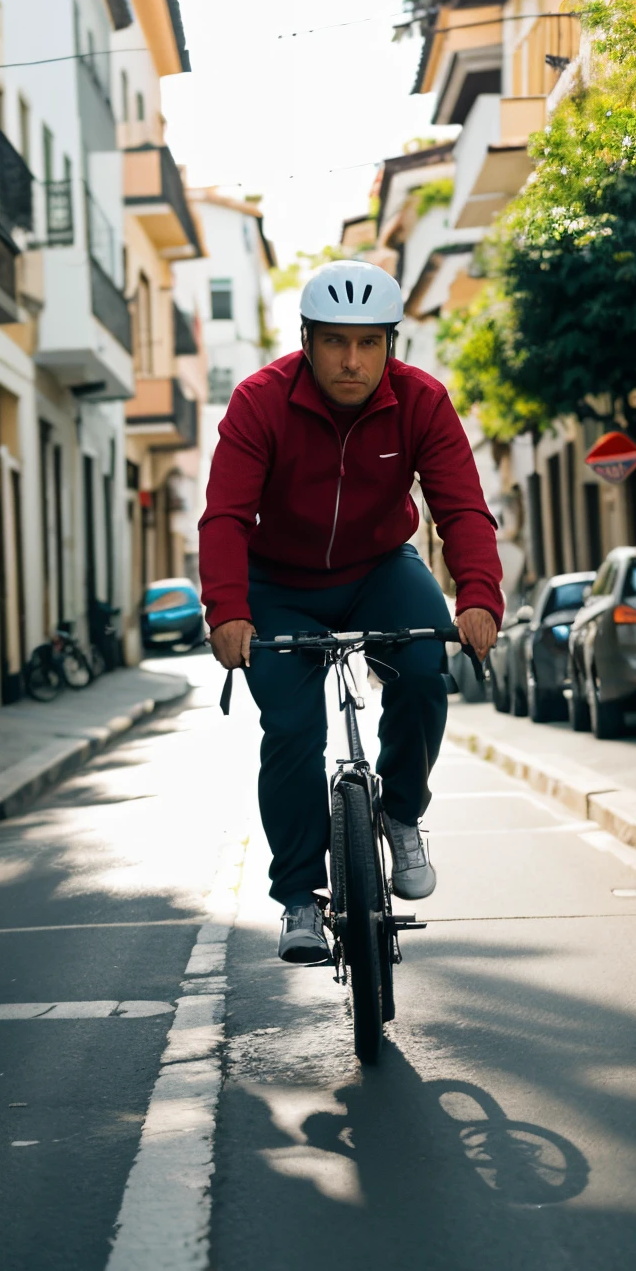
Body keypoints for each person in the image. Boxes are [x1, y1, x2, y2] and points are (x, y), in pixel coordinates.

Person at [199, 260, 504, 963]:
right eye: (335, 341)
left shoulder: (422, 400)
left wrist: (480, 595)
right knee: (293, 727)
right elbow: (224, 517)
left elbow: (460, 506)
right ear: (305, 340)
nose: (353, 360)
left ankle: (400, 814)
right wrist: (228, 611)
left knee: (425, 671)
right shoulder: (259, 401)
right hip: (278, 585)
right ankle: (301, 898)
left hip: (378, 569)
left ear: (392, 345)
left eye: (370, 343)